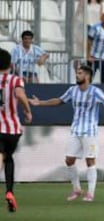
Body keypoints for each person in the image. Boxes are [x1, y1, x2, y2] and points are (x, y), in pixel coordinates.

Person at [28, 65, 104, 202]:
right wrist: (40, 103)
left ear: (87, 76)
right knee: (69, 159)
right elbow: (59, 100)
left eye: (79, 73)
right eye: (77, 73)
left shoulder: (95, 91)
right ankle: (77, 189)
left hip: (89, 132)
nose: (77, 75)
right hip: (75, 130)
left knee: (90, 160)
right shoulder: (73, 90)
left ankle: (90, 193)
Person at [0, 48, 32, 212]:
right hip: (13, 129)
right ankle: (10, 192)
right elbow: (19, 94)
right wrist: (27, 110)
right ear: (10, 64)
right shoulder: (15, 79)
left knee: (1, 156)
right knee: (8, 158)